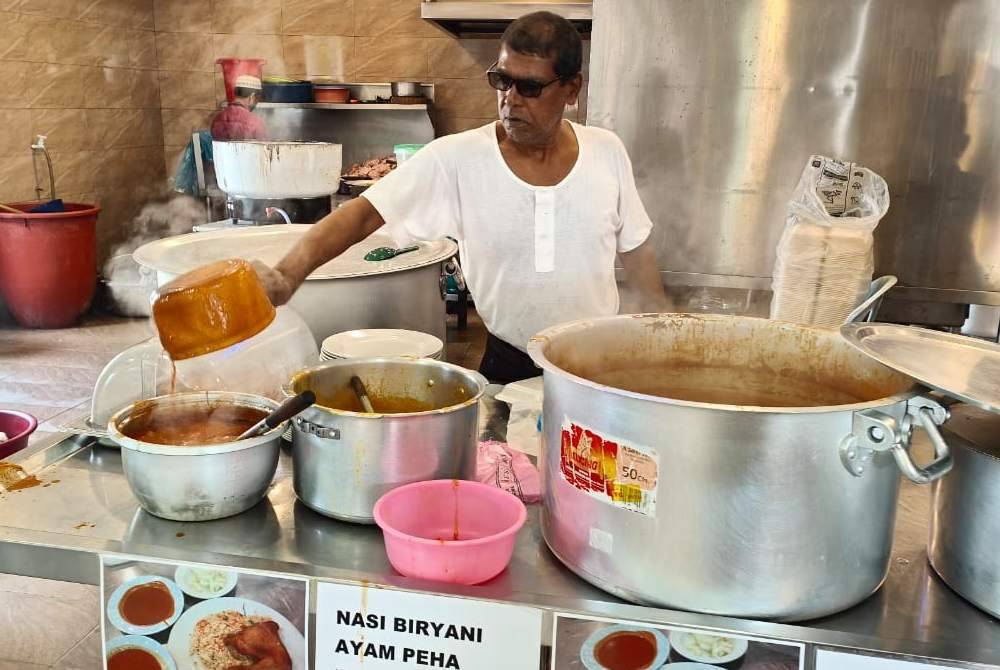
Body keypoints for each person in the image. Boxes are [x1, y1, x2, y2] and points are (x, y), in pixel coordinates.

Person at [254, 11, 667, 384]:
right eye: (502, 81)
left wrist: (663, 339)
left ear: (572, 88)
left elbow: (636, 250)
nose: (510, 99)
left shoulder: (606, 151)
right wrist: (287, 274)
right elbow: (363, 214)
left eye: (530, 87)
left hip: (598, 367)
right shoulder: (456, 158)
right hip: (509, 366)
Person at [211, 74, 267, 141]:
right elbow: (262, 146)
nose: (255, 104)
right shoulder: (255, 123)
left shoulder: (217, 119)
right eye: (256, 100)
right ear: (252, 97)